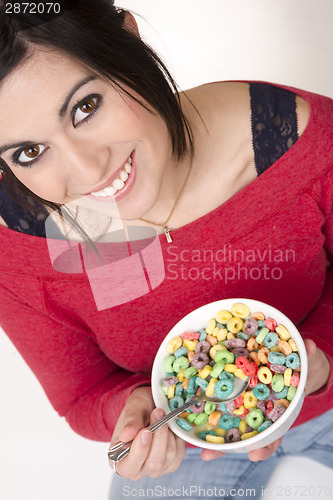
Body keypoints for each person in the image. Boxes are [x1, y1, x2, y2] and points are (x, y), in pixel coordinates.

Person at [0, 1, 332, 499]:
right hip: (191, 440)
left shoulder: (310, 143)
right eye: (28, 152)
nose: (88, 173)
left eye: (85, 107)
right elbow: (80, 395)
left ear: (128, 41)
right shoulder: (18, 248)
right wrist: (130, 409)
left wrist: (323, 363)